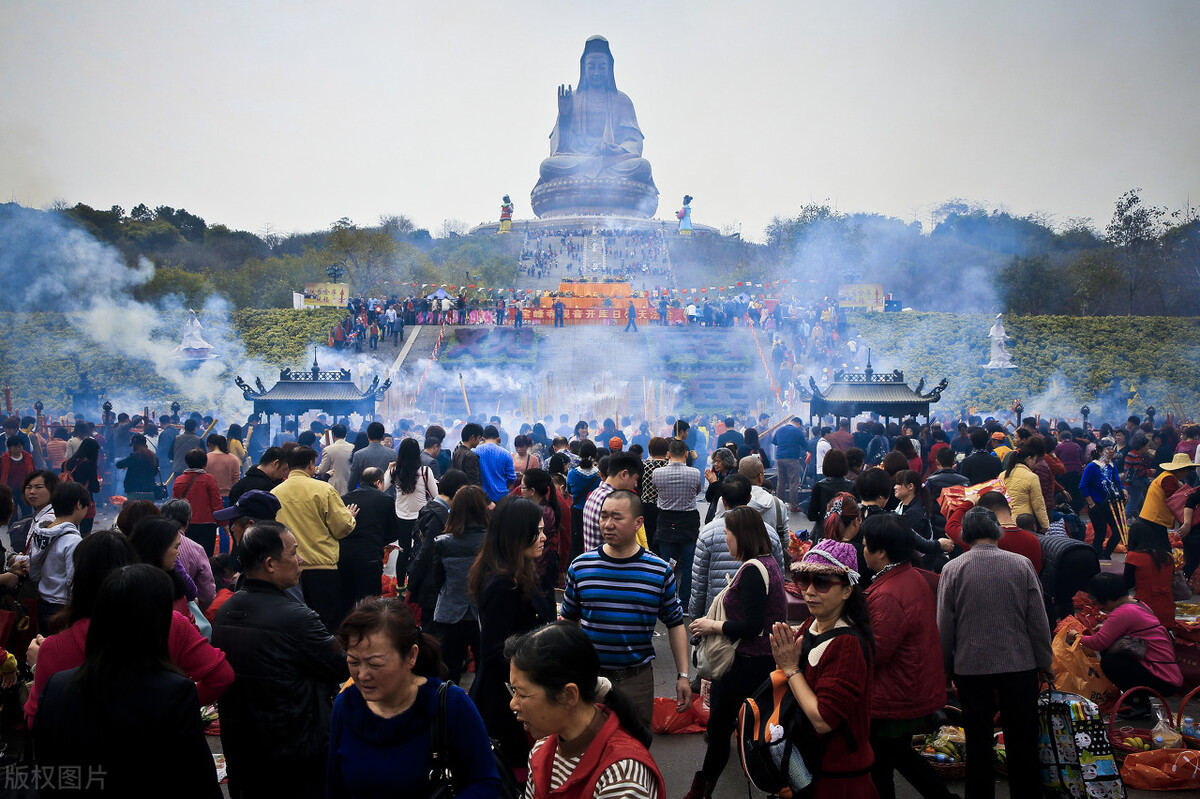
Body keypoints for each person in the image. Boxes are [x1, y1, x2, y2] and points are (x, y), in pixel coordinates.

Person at [34, 564, 221, 798]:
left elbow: (47, 768)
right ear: (156, 623)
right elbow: (196, 778)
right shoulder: (173, 692)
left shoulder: (58, 686)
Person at [24, 530, 233, 727]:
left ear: (79, 580)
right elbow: (221, 675)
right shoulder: (171, 624)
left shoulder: (55, 647)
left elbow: (36, 720)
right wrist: (176, 704)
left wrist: (37, 666)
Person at [212, 521, 349, 799]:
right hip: (294, 748)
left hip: (242, 745)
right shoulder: (298, 618)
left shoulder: (227, 610)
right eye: (294, 553)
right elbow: (339, 666)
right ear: (270, 564)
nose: (301, 560)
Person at [327, 598, 500, 798]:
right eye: (353, 661)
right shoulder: (346, 705)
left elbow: (486, 781)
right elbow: (335, 787)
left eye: (374, 664)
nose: (362, 675)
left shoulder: (451, 704)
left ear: (411, 656)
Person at [937, 506, 1052, 799]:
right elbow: (1038, 620)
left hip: (970, 668)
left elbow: (944, 627)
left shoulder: (952, 569)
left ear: (966, 534)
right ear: (996, 531)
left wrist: (946, 667)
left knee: (977, 740)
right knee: (1022, 740)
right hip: (1019, 665)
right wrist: (1045, 662)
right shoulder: (1021, 565)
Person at [561, 490, 692, 730]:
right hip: (591, 678)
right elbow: (568, 622)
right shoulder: (581, 566)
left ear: (638, 523)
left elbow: (675, 624)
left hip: (636, 680)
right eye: (604, 516)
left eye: (617, 517)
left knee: (636, 746)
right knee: (588, 746)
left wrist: (683, 675)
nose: (607, 524)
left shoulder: (658, 571)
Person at [684, 507, 786, 799]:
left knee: (719, 728)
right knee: (746, 727)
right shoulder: (766, 563)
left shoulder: (754, 570)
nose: (726, 539)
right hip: (759, 661)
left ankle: (702, 789)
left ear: (741, 535)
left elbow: (752, 625)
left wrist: (711, 625)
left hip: (746, 663)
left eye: (728, 533)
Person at [767, 539, 877, 799]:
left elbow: (824, 720)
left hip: (839, 778)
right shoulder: (811, 624)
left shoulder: (847, 644)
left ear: (847, 590)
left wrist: (791, 668)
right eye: (804, 580)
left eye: (823, 583)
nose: (809, 591)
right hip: (807, 766)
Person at [509, 623, 665, 799]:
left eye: (521, 694)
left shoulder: (622, 777)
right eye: (513, 691)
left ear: (568, 695)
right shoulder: (542, 750)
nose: (513, 704)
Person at [861, 515, 954, 799]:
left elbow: (876, 651)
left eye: (866, 545)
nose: (862, 550)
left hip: (894, 693)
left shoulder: (889, 593)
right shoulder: (909, 576)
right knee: (899, 755)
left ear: (881, 552)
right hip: (910, 686)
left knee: (880, 766)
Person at [467, 496, 554, 772]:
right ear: (517, 535)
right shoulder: (502, 584)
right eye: (537, 532)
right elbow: (494, 652)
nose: (544, 537)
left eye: (543, 531)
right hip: (508, 702)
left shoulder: (519, 572)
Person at [1068, 573, 1183, 718]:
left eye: (1097, 600)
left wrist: (1076, 636)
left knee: (1110, 662)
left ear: (1105, 598)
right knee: (1110, 653)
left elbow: (1098, 643)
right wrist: (1105, 627)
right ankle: (1135, 698)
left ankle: (1137, 704)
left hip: (1162, 678)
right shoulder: (1136, 603)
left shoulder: (1123, 612)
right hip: (1167, 673)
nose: (1098, 605)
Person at [272, 445, 358, 633]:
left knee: (295, 622)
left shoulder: (276, 493)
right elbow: (342, 527)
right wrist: (350, 517)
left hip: (288, 567)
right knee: (326, 622)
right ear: (311, 464)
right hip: (322, 565)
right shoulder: (323, 489)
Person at [431, 485, 490, 683]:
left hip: (450, 614)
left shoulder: (442, 542)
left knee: (449, 672)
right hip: (483, 615)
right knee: (485, 672)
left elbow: (435, 580)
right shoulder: (491, 541)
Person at [408, 469, 470, 627]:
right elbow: (427, 551)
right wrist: (414, 575)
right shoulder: (438, 516)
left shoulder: (432, 508)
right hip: (431, 585)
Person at [339, 467, 402, 612]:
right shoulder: (385, 499)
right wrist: (380, 540)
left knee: (346, 600)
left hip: (344, 556)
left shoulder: (344, 498)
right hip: (370, 556)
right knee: (370, 604)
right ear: (378, 482)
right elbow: (393, 532)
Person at [29, 482, 89, 632]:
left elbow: (34, 572)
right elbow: (73, 580)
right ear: (79, 505)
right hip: (62, 607)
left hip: (44, 603)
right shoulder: (73, 541)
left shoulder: (41, 533)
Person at [391, 437, 438, 578]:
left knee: (403, 551)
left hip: (401, 516)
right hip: (421, 518)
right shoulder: (425, 471)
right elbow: (435, 495)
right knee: (421, 552)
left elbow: (380, 487)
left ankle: (400, 587)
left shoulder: (394, 471)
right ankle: (415, 586)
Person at [160, 498, 218, 610]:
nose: (177, 553)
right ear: (187, 523)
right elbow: (208, 595)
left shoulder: (149, 541)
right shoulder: (196, 549)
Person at [582, 450, 641, 551]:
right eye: (635, 479)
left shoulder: (595, 494)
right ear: (624, 474)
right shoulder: (612, 501)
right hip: (608, 563)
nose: (635, 485)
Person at [1123, 520, 1176, 628]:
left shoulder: (1134, 557)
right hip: (1168, 606)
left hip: (1145, 606)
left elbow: (1127, 583)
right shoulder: (1167, 556)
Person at [1081, 438, 1127, 559]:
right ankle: (1097, 557)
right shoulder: (1092, 466)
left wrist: (1124, 491)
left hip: (1112, 504)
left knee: (1119, 532)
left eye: (1112, 448)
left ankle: (1106, 554)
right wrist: (1091, 504)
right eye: (1108, 449)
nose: (1111, 451)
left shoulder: (1112, 466)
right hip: (1097, 505)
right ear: (1101, 451)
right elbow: (1083, 486)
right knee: (1100, 534)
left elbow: (1117, 482)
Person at [520, 468, 565, 591]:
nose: (520, 491)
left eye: (523, 487)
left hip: (540, 567)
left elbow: (535, 545)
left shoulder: (542, 513)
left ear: (532, 491)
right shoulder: (540, 509)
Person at [173, 447, 223, 555]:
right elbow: (216, 503)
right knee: (205, 556)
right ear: (205, 463)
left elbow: (175, 505)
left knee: (187, 555)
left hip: (186, 525)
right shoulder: (209, 479)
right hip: (207, 525)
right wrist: (222, 522)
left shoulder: (179, 480)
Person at [998, 446, 1049, 532]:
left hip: (1005, 520)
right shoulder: (1032, 477)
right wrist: (1045, 525)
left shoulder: (1002, 475)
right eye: (1034, 459)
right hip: (1024, 521)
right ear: (1029, 459)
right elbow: (1038, 504)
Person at [8, 469, 58, 554]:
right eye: (28, 487)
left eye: (39, 487)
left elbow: (39, 557)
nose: (32, 492)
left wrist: (17, 559)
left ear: (52, 489)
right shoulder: (39, 515)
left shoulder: (50, 518)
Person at [808, 448, 856, 525]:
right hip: (847, 528)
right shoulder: (852, 486)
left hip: (824, 529)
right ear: (845, 465)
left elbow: (812, 516)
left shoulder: (819, 486)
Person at [347, 422, 397, 491]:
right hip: (387, 496)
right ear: (382, 437)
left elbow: (352, 481)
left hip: (365, 496)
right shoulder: (393, 454)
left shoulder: (358, 455)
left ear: (368, 435)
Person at [773, 417, 807, 512]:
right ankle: (794, 506)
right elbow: (805, 445)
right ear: (798, 424)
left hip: (779, 458)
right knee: (793, 482)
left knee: (781, 482)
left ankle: (779, 505)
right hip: (792, 458)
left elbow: (774, 442)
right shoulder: (797, 431)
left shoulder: (779, 430)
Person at [115, 433, 160, 502]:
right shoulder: (153, 457)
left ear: (134, 445)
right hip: (149, 491)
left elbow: (119, 465)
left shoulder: (133, 457)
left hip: (134, 492)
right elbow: (155, 472)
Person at [206, 433, 243, 505]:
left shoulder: (206, 458)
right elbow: (236, 480)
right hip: (227, 497)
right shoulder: (233, 459)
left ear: (210, 444)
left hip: (209, 496)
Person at [452, 422, 484, 488]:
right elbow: (473, 481)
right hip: (468, 494)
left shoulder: (457, 452)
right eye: (478, 438)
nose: (479, 441)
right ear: (472, 437)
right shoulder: (470, 456)